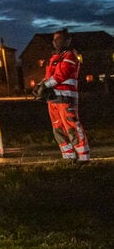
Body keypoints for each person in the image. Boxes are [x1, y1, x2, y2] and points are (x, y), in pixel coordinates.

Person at [35, 29, 90, 161]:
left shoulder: (70, 56)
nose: (55, 42)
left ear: (67, 41)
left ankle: (83, 157)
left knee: (72, 127)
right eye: (54, 39)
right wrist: (41, 84)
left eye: (58, 39)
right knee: (58, 129)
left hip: (66, 98)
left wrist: (45, 85)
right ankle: (68, 156)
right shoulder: (54, 58)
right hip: (53, 99)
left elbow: (61, 75)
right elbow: (50, 76)